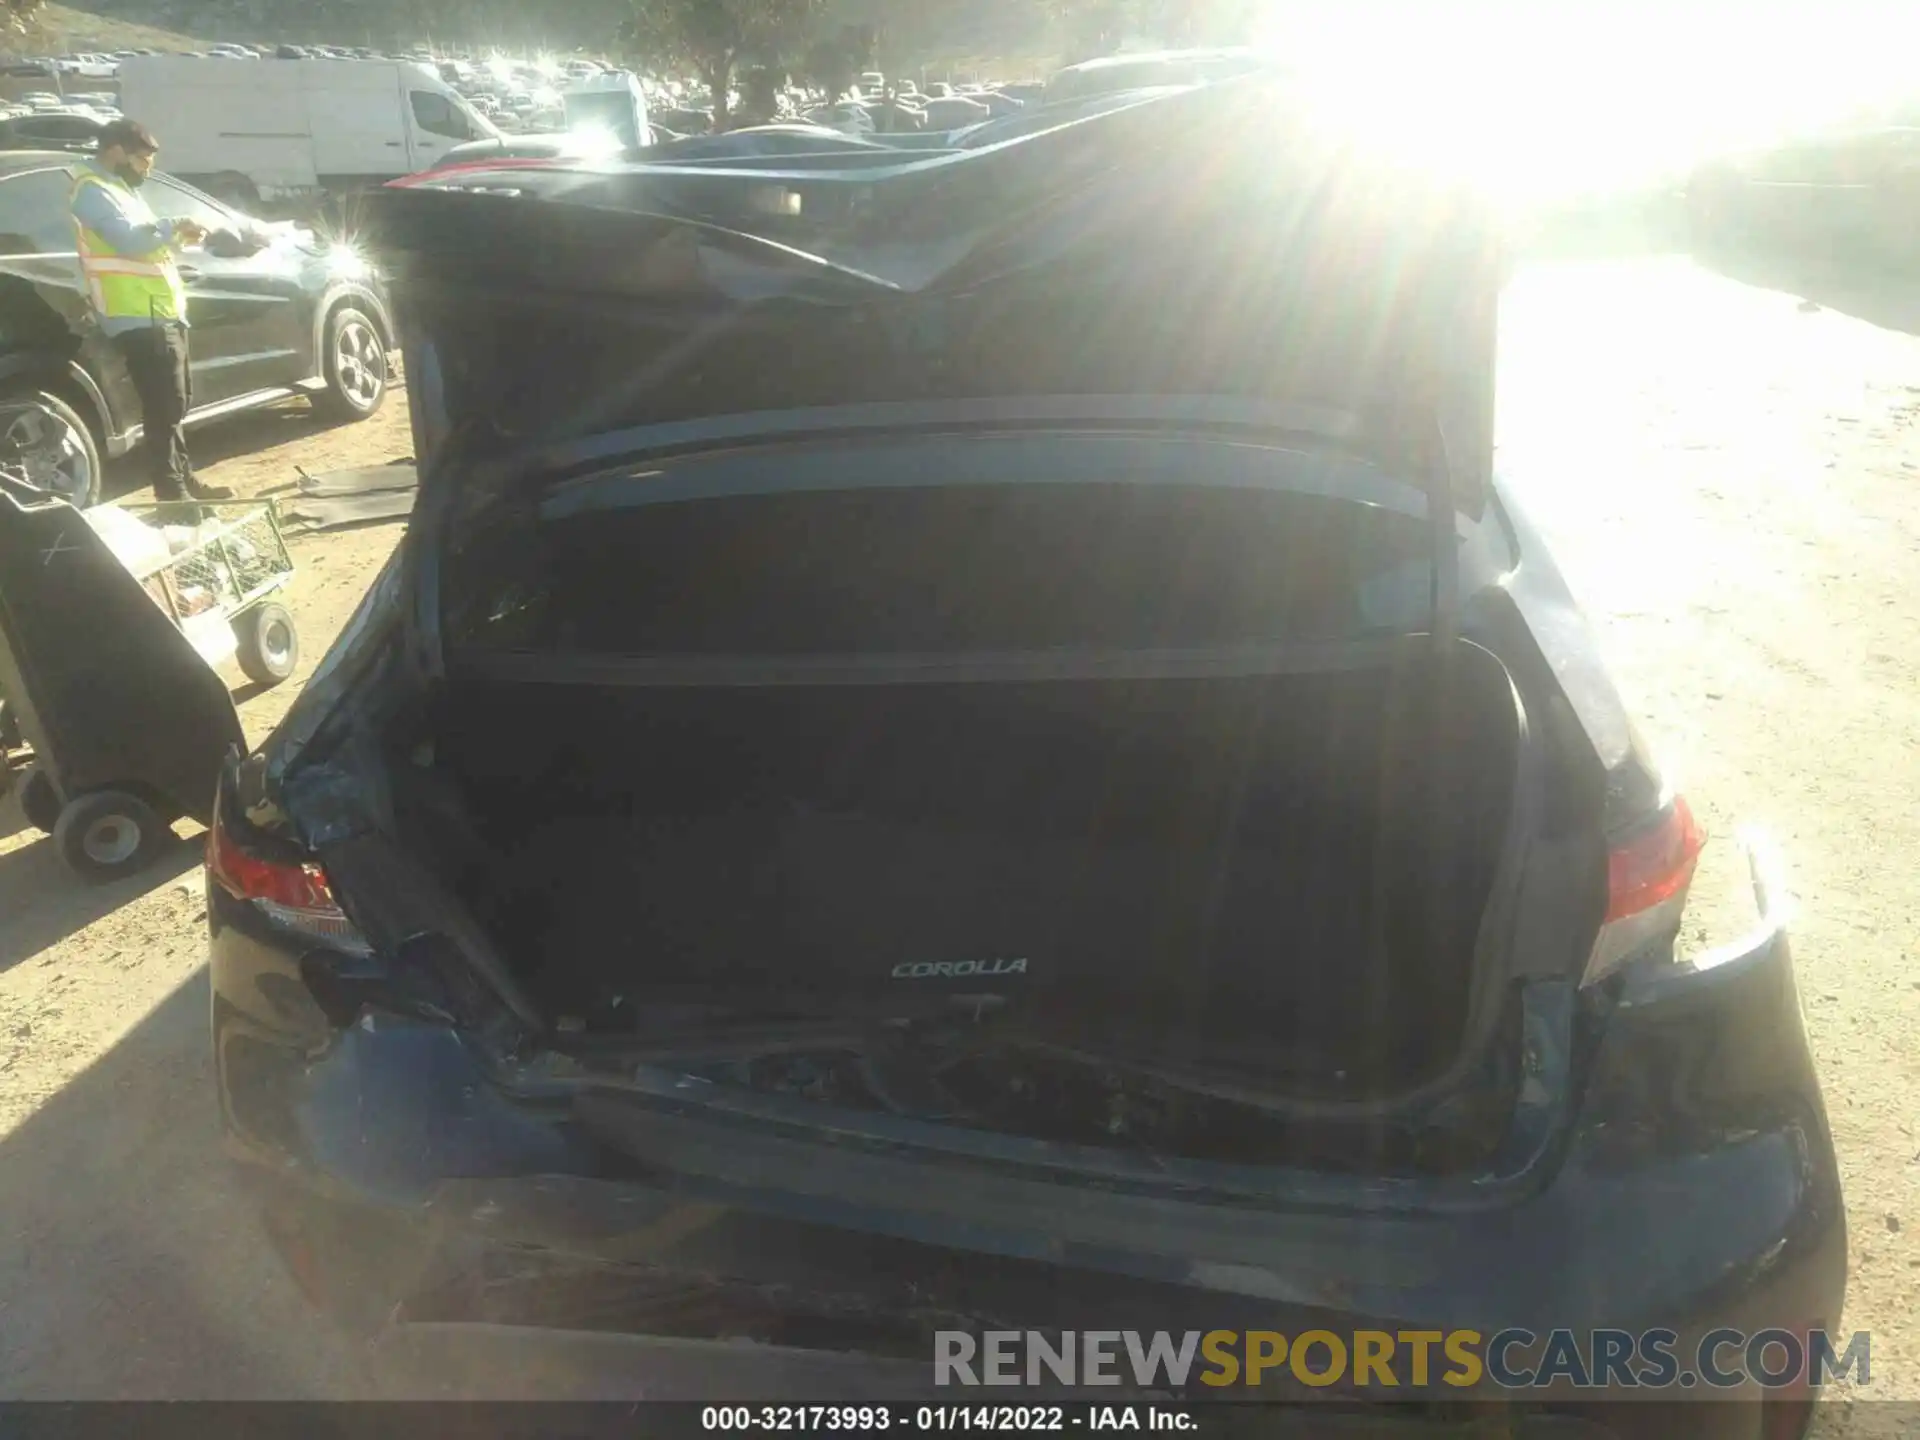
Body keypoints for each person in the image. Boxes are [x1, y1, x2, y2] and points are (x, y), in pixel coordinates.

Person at [68, 119, 236, 502]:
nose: (148, 168)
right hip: (136, 315)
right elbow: (128, 241)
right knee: (163, 404)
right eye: (142, 159)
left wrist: (177, 236)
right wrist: (175, 223)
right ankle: (171, 492)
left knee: (176, 401)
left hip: (160, 310)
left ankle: (183, 478)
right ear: (115, 151)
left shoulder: (120, 188)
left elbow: (147, 242)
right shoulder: (91, 190)